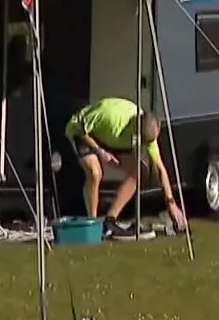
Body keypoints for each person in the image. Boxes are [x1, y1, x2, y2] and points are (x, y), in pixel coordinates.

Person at [64, 96, 187, 236]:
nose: (143, 143)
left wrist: (171, 203)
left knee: (140, 171)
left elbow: (160, 169)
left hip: (112, 139)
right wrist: (100, 151)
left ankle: (109, 221)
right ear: (136, 125)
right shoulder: (111, 115)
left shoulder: (148, 131)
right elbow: (80, 128)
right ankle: (93, 226)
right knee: (95, 173)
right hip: (84, 132)